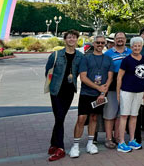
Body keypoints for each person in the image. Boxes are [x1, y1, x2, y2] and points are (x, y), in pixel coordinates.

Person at [69, 35, 113, 158]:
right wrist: (99, 88)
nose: (100, 44)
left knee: (94, 118)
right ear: (93, 43)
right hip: (86, 94)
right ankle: (75, 145)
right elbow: (83, 77)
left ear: (105, 44)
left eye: (102, 43)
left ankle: (90, 143)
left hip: (100, 95)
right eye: (98, 42)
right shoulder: (86, 58)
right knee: (81, 119)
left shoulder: (108, 59)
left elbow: (110, 77)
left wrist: (103, 93)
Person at [46, 30, 83, 161]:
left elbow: (82, 72)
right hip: (56, 91)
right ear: (65, 40)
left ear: (77, 40)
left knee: (59, 118)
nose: (72, 39)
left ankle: (53, 143)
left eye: (74, 37)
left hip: (69, 91)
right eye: (69, 37)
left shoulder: (80, 56)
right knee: (60, 117)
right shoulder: (56, 55)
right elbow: (48, 71)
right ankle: (60, 148)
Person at [116, 37, 144, 153]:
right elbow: (119, 77)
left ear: (141, 47)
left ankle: (131, 140)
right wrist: (118, 93)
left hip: (139, 92)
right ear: (131, 47)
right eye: (134, 46)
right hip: (126, 91)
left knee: (134, 116)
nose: (137, 48)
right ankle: (121, 142)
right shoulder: (126, 60)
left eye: (139, 46)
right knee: (124, 116)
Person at [103, 32, 131, 149]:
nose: (120, 40)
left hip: (127, 87)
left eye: (122, 38)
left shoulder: (130, 52)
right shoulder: (108, 54)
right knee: (110, 114)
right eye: (118, 38)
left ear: (125, 40)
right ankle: (109, 138)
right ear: (114, 40)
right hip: (112, 88)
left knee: (121, 114)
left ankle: (118, 137)